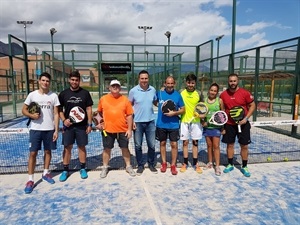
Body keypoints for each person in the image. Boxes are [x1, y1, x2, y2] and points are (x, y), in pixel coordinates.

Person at [22, 72, 60, 194]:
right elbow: (23, 110)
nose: (45, 82)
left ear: (49, 83)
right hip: (35, 130)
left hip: (49, 130)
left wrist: (56, 130)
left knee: (48, 151)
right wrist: (31, 115)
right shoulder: (32, 95)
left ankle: (45, 173)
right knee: (33, 153)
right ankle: (30, 179)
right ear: (39, 81)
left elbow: (56, 114)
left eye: (47, 81)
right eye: (43, 80)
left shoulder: (53, 96)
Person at [58, 70, 93, 182]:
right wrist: (64, 120)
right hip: (68, 127)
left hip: (82, 126)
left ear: (79, 81)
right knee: (67, 147)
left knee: (81, 147)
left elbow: (89, 109)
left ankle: (82, 168)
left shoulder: (85, 93)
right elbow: (59, 110)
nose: (74, 82)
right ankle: (65, 170)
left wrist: (89, 124)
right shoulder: (63, 94)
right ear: (69, 80)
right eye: (72, 80)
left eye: (76, 80)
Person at [97, 79, 136, 178]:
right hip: (107, 130)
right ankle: (105, 167)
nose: (115, 87)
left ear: (120, 88)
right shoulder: (103, 99)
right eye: (113, 86)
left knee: (125, 148)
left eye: (117, 86)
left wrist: (129, 129)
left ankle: (128, 166)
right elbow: (98, 113)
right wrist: (99, 123)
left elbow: (129, 116)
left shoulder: (125, 100)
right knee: (107, 149)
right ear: (109, 88)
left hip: (123, 130)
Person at [220, 73, 256, 177]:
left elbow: (253, 105)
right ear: (228, 82)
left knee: (244, 146)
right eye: (231, 81)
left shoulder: (244, 93)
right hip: (229, 124)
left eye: (234, 81)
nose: (232, 83)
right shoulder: (223, 95)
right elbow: (222, 109)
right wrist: (222, 125)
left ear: (237, 81)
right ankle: (230, 164)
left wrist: (246, 118)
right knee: (230, 145)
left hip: (243, 124)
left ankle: (244, 166)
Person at [128, 70, 157, 175]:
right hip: (138, 123)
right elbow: (129, 106)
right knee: (138, 146)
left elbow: (155, 101)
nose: (144, 80)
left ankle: (151, 164)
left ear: (148, 79)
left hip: (150, 122)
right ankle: (140, 165)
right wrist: (132, 121)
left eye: (146, 78)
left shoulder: (153, 90)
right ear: (139, 79)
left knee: (152, 145)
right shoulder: (133, 91)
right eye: (142, 78)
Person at [155, 76, 185, 175]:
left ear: (174, 84)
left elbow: (183, 109)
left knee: (174, 145)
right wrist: (161, 107)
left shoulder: (178, 95)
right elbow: (155, 102)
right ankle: (164, 163)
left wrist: (174, 113)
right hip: (161, 124)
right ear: (165, 84)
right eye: (168, 83)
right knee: (162, 143)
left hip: (174, 125)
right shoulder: (159, 93)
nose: (170, 85)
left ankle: (173, 165)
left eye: (172, 83)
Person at [179, 74, 204, 174]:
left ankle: (195, 163)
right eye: (189, 82)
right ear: (186, 82)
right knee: (185, 143)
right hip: (184, 121)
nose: (190, 84)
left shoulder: (198, 93)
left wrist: (202, 117)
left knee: (195, 143)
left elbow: (203, 107)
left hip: (196, 122)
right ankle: (185, 163)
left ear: (195, 83)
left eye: (192, 83)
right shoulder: (181, 92)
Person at [202, 83, 225, 176]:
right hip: (207, 127)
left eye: (215, 91)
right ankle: (210, 163)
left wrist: (223, 127)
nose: (213, 92)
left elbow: (223, 114)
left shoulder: (220, 101)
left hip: (216, 127)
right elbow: (201, 113)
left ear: (217, 92)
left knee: (216, 146)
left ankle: (217, 166)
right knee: (209, 146)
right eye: (211, 90)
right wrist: (202, 122)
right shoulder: (204, 101)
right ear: (209, 90)